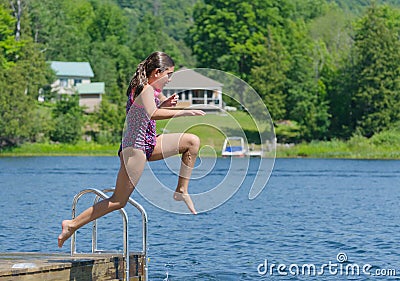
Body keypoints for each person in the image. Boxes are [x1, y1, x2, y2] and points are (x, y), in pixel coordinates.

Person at [58, 51, 205, 248]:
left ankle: (181, 190)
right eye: (169, 74)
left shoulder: (153, 89)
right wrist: (182, 112)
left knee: (192, 142)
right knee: (119, 200)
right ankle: (71, 225)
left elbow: (151, 108)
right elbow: (152, 113)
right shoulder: (143, 88)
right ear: (157, 72)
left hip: (149, 142)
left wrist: (166, 105)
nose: (170, 79)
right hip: (134, 148)